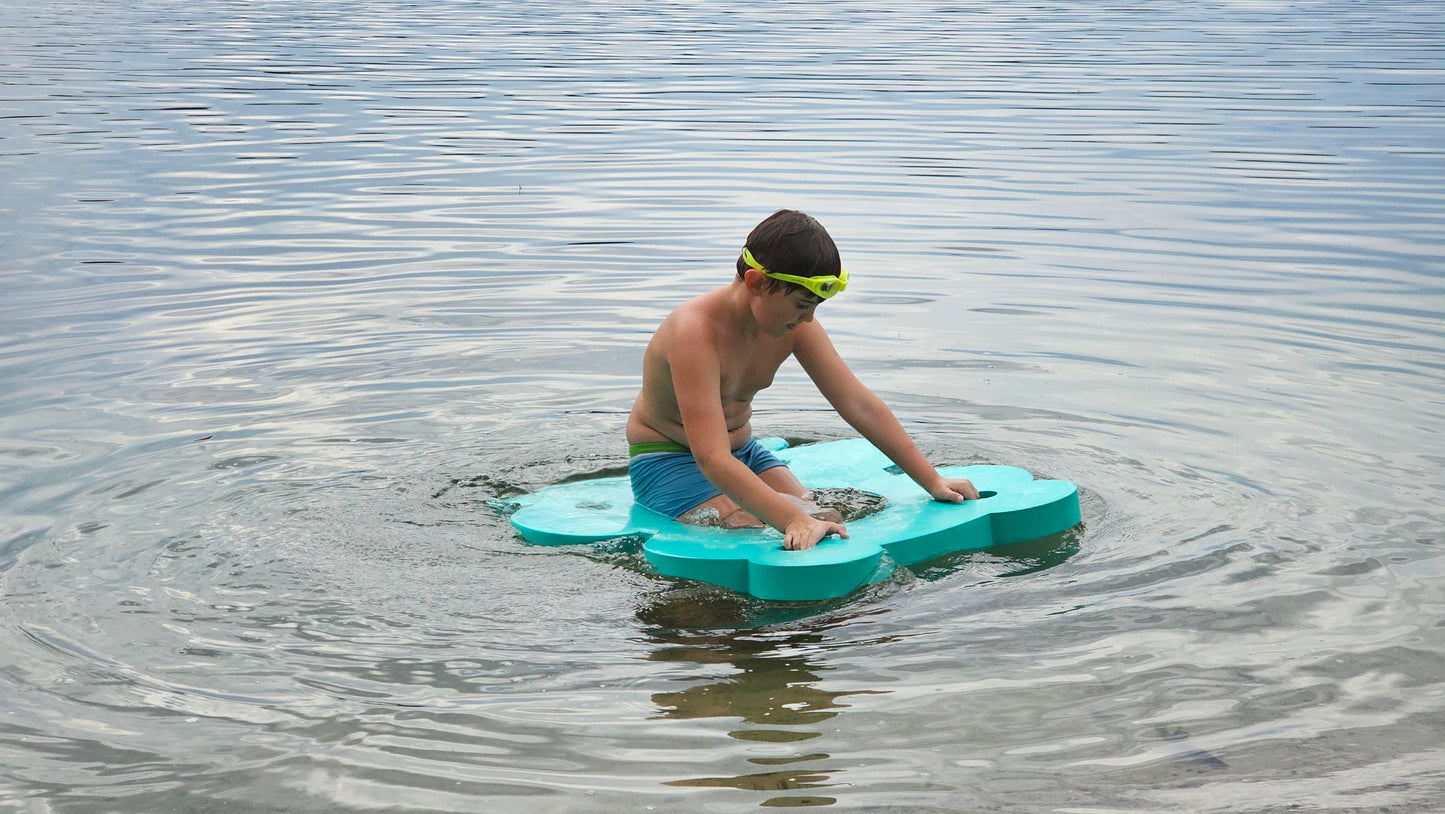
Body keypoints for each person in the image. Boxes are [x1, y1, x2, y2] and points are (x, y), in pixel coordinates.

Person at [626, 209, 980, 551]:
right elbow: (711, 457)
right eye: (801, 304)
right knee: (764, 528)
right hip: (668, 462)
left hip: (745, 453)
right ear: (757, 282)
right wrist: (792, 520)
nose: (809, 318)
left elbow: (858, 404)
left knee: (825, 516)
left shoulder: (794, 326)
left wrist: (932, 480)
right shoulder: (694, 333)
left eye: (816, 307)